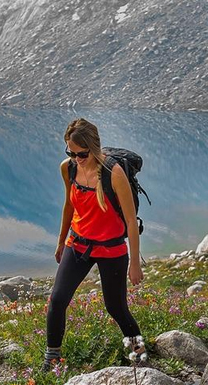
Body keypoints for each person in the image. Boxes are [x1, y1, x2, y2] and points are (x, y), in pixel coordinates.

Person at [44, 118, 144, 370]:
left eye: (82, 153)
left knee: (116, 307)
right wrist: (60, 241)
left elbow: (131, 222)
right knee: (57, 300)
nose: (76, 158)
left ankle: (140, 354)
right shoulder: (68, 169)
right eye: (71, 152)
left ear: (94, 147)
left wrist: (135, 264)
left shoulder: (114, 173)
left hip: (111, 248)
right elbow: (68, 205)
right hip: (77, 244)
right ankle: (52, 359)